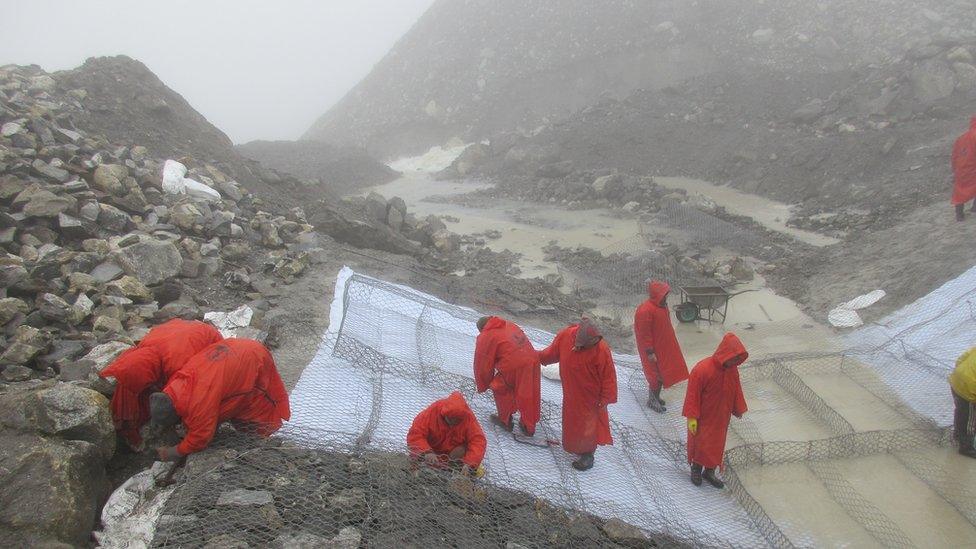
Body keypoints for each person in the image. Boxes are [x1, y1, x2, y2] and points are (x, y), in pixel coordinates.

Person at [149, 338, 290, 461]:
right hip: (234, 348)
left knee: (255, 408)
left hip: (251, 358)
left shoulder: (198, 402)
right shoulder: (174, 385)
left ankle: (261, 447)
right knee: (227, 401)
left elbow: (200, 439)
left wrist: (174, 452)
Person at [99, 319, 223, 447]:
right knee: (131, 378)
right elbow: (130, 374)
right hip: (184, 330)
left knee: (185, 395)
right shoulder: (144, 347)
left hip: (211, 340)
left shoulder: (177, 366)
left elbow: (187, 395)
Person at [538, 318, 617, 471]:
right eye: (591, 342)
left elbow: (609, 377)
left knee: (588, 426)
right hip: (571, 392)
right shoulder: (566, 336)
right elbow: (552, 353)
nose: (595, 343)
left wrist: (606, 399)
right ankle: (575, 446)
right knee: (572, 422)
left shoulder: (601, 349)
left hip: (591, 397)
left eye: (596, 341)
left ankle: (588, 454)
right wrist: (536, 357)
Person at [682, 333, 748, 488]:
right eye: (734, 357)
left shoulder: (732, 370)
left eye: (737, 358)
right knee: (701, 444)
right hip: (704, 417)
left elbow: (736, 389)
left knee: (717, 445)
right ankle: (696, 469)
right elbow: (692, 394)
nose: (735, 361)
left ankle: (709, 471)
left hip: (722, 418)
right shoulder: (702, 369)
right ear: (726, 353)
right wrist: (691, 417)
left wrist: (738, 408)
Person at [473, 316, 541, 435]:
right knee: (529, 394)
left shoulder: (486, 335)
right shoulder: (508, 324)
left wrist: (483, 383)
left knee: (500, 388)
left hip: (514, 365)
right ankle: (529, 427)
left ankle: (505, 420)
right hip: (533, 360)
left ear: (482, 329)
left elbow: (482, 364)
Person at [634, 280, 689, 413]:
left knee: (662, 372)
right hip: (652, 350)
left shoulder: (661, 306)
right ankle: (652, 401)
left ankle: (656, 397)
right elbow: (644, 334)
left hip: (662, 347)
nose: (666, 297)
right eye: (664, 294)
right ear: (657, 295)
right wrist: (650, 352)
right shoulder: (645, 311)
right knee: (655, 375)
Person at [407, 391, 487, 475]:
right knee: (415, 464)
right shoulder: (433, 411)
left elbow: (478, 441)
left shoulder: (468, 417)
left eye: (457, 421)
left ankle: (452, 472)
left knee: (462, 452)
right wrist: (426, 451)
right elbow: (415, 433)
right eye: (450, 420)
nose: (453, 423)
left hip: (452, 457)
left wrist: (469, 463)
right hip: (431, 450)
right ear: (444, 414)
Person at [950, 348, 976, 458]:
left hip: (956, 380)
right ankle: (966, 447)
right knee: (970, 420)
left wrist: (961, 374)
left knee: (961, 411)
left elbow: (961, 359)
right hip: (969, 390)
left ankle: (957, 434)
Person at [951, 117, 976, 221]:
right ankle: (974, 208)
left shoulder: (961, 137)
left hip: (961, 170)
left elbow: (954, 156)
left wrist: (955, 169)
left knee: (959, 191)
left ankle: (959, 214)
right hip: (973, 169)